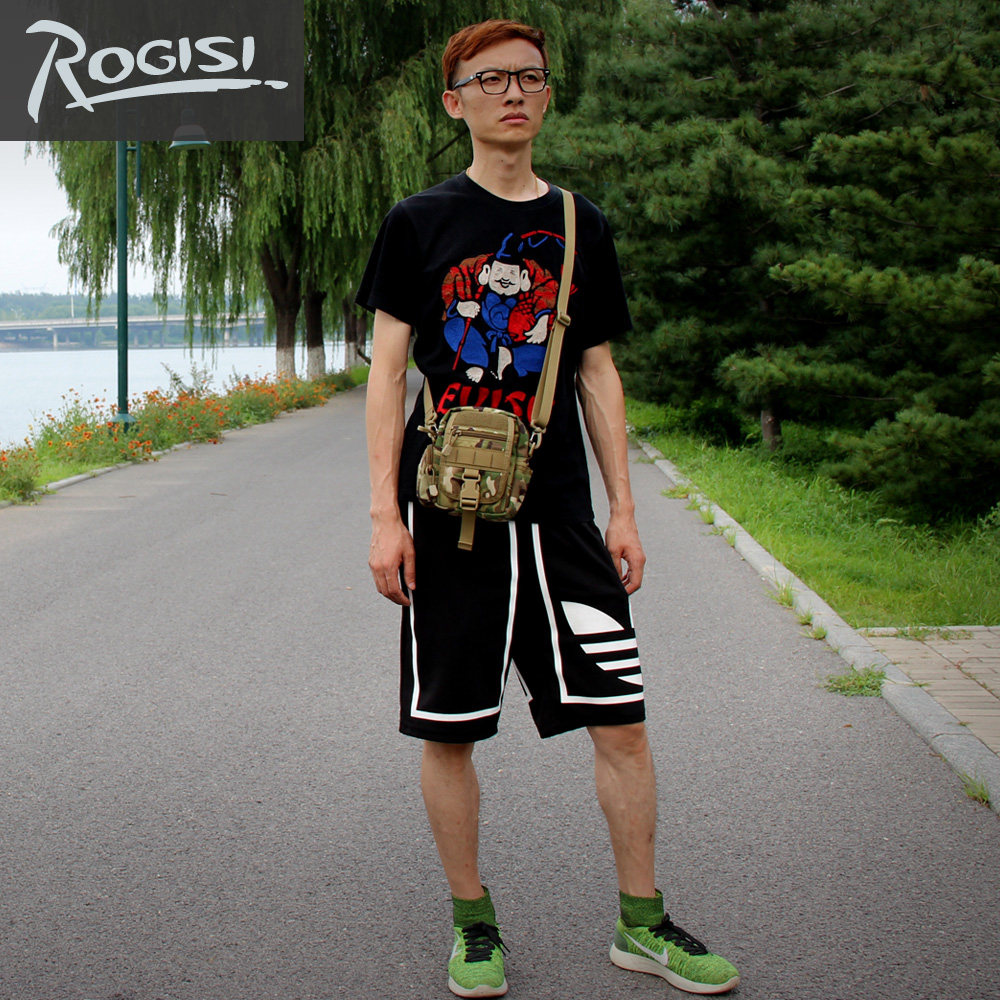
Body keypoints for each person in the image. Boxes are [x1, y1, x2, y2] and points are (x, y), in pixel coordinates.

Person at [358, 18, 739, 999]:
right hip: (449, 519)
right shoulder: (416, 222)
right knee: (449, 728)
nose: (513, 94)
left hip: (562, 517)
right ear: (455, 103)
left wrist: (625, 510)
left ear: (547, 95)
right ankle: (473, 923)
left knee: (622, 720)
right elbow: (388, 375)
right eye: (490, 81)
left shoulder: (581, 224)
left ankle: (642, 923)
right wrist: (383, 517)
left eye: (528, 77)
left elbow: (598, 374)